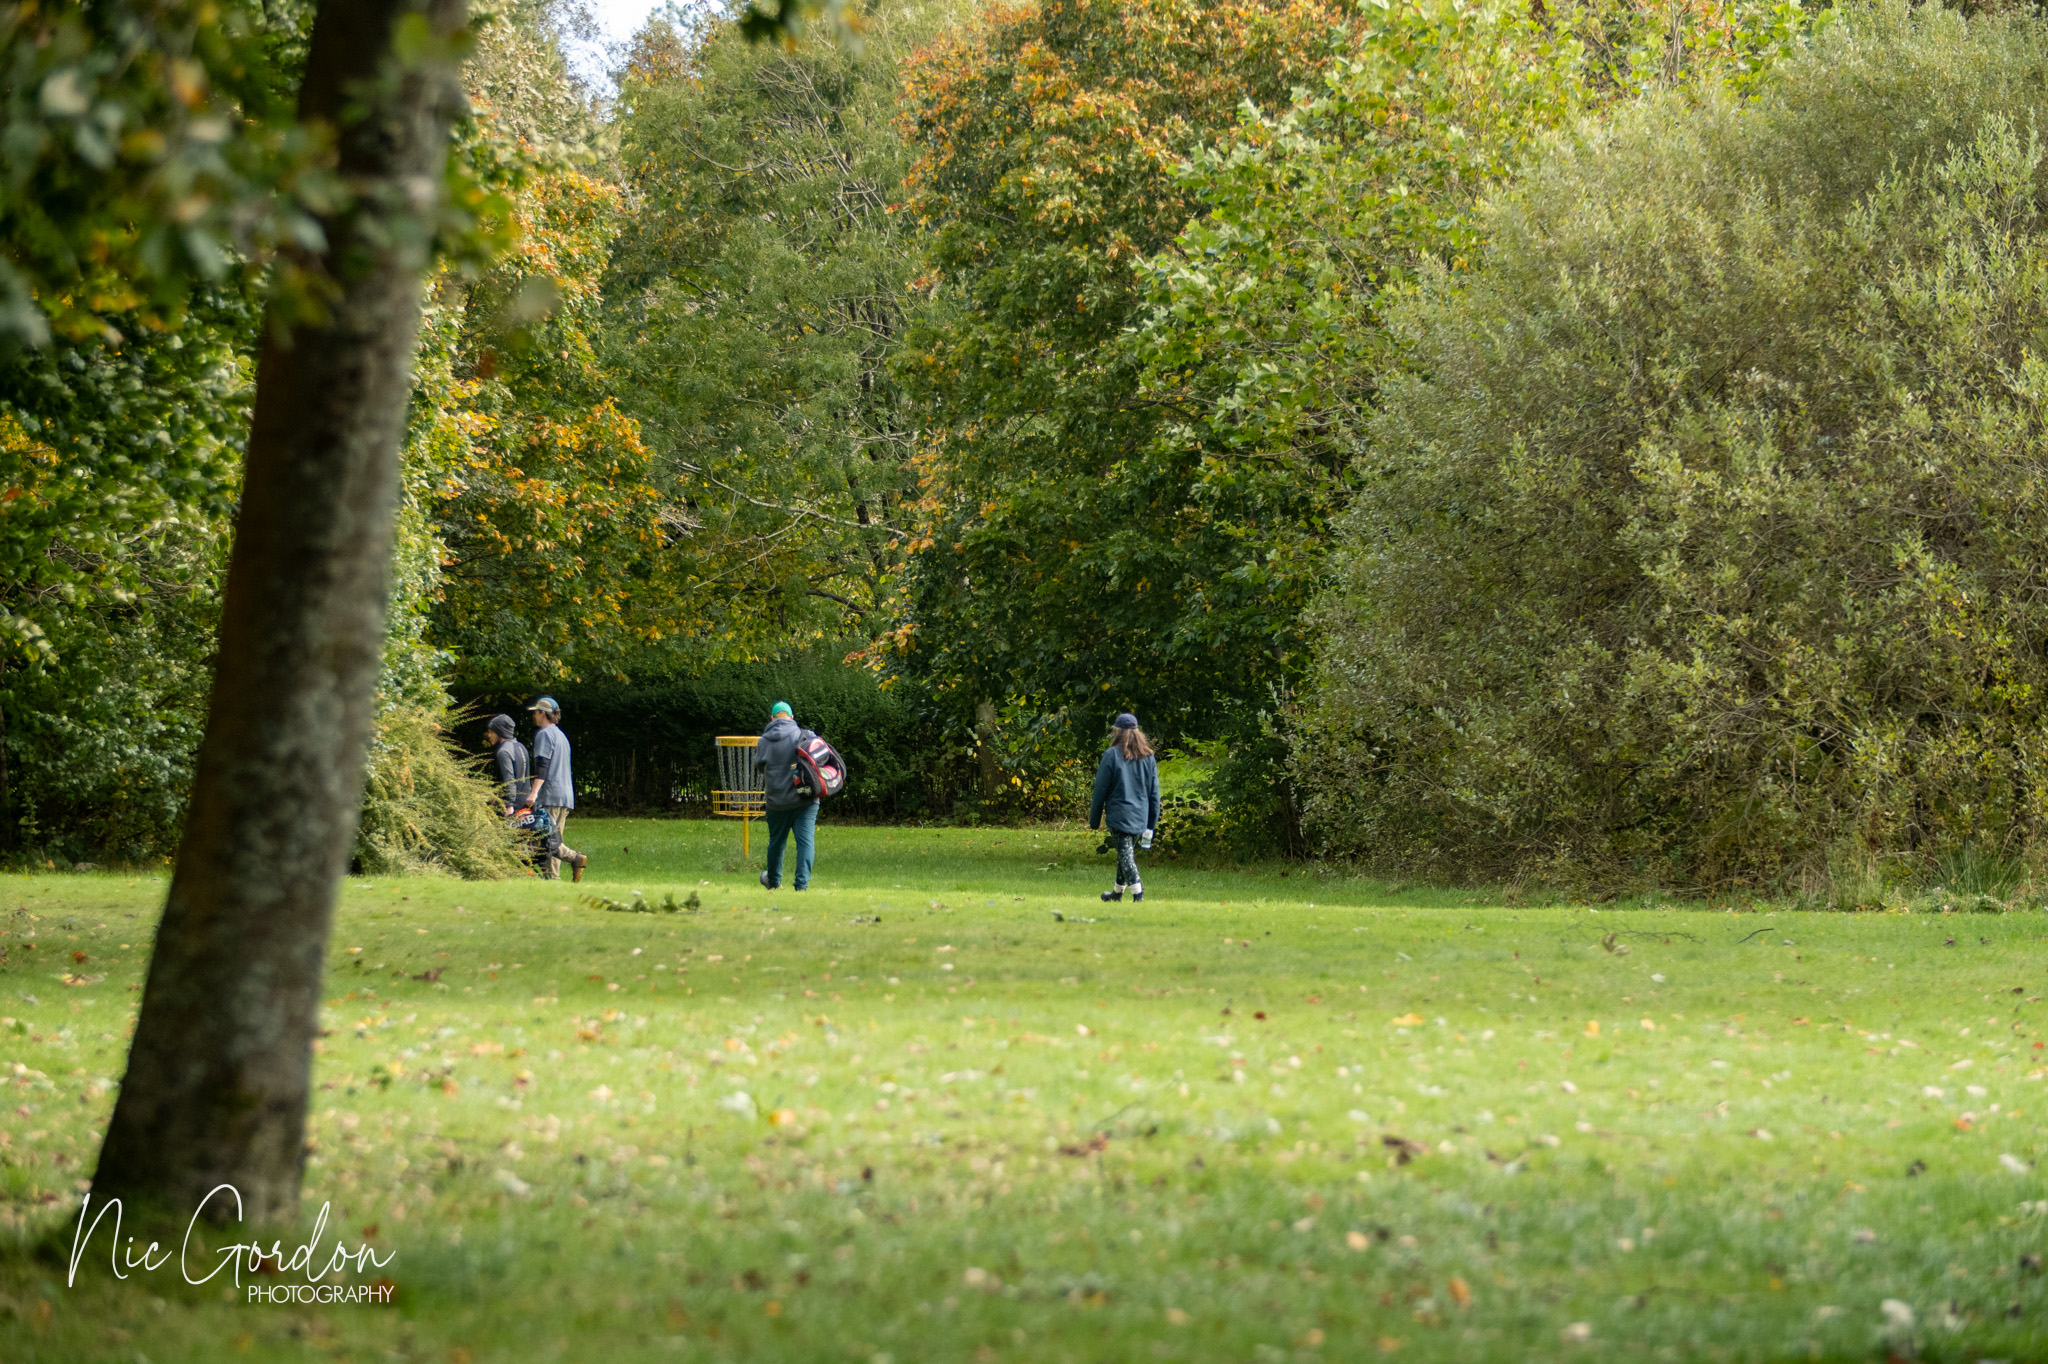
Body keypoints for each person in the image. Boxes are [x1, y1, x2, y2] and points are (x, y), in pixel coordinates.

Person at [1088, 712, 1160, 902]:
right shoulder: (1149, 758)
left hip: (1119, 815)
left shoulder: (1111, 755)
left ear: (1117, 732)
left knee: (1126, 856)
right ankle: (1116, 893)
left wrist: (1094, 820)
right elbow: (1154, 795)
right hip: (1141, 817)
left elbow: (1100, 790)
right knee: (1125, 852)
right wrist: (1151, 824)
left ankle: (1138, 894)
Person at [753, 700, 818, 891]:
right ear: (791, 717)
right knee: (805, 842)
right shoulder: (804, 735)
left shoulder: (764, 741)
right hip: (805, 799)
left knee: (776, 842)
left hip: (777, 801)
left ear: (772, 718)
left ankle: (773, 882)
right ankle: (801, 885)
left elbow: (759, 766)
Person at [524, 695, 586, 882]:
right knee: (554, 838)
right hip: (565, 795)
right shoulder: (562, 736)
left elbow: (542, 764)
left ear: (543, 713)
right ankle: (555, 879)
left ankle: (572, 860)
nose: (534, 716)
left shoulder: (544, 735)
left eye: (536, 712)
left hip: (550, 794)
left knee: (547, 840)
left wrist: (533, 792)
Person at [485, 714, 556, 875]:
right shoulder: (521, 747)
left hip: (513, 806)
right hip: (525, 802)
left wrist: (508, 805)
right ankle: (549, 873)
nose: (489, 735)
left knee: (506, 842)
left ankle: (499, 873)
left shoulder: (503, 752)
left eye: (491, 731)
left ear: (500, 732)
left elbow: (509, 781)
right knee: (533, 842)